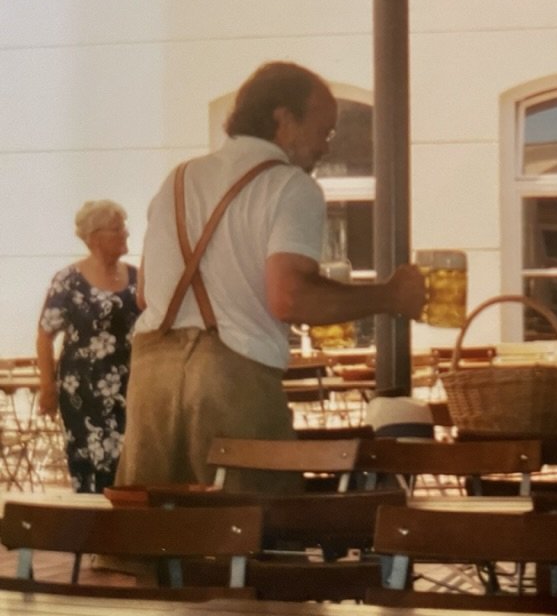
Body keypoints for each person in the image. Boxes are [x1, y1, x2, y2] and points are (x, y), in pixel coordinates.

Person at [117, 61, 426, 492]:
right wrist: (390, 297)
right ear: (284, 120)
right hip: (231, 384)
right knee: (256, 537)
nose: (327, 145)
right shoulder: (290, 186)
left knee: (154, 538)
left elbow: (146, 293)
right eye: (324, 129)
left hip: (153, 379)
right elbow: (291, 298)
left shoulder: (179, 179)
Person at [37, 200, 140, 493]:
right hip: (81, 391)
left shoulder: (137, 278)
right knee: (90, 462)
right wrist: (47, 387)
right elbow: (45, 335)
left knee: (129, 465)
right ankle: (92, 528)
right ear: (95, 237)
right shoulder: (68, 281)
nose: (126, 234)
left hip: (131, 386)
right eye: (117, 229)